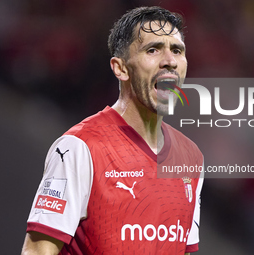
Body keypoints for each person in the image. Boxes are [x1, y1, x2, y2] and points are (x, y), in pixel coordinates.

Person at [21, 6, 204, 255]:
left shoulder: (191, 158)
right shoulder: (79, 147)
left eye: (177, 50)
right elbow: (37, 250)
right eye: (153, 49)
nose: (170, 61)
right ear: (120, 68)